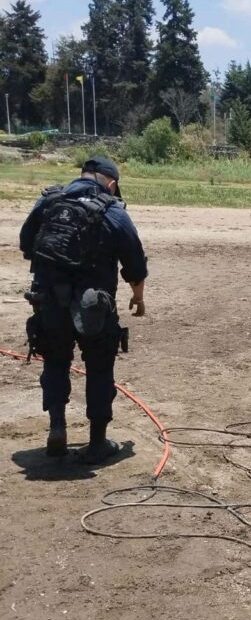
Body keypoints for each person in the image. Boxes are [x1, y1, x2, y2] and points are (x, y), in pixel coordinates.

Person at [19, 155, 148, 463]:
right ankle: (97, 443)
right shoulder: (114, 212)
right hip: (95, 306)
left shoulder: (49, 203)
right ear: (112, 184)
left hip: (48, 300)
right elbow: (135, 263)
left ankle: (57, 429)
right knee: (100, 367)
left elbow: (26, 244)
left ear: (81, 175)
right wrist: (138, 298)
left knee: (55, 361)